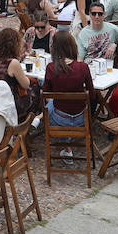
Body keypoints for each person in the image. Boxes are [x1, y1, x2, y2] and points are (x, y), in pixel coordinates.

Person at [41, 29, 94, 157]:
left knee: (51, 104)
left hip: (59, 119)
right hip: (81, 119)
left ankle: (67, 148)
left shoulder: (51, 68)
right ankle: (68, 147)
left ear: (54, 48)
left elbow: (45, 93)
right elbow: (92, 95)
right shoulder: (82, 67)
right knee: (56, 103)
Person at [0, 27, 37, 119]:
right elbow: (25, 85)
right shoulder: (12, 63)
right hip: (10, 102)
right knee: (36, 89)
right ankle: (31, 119)